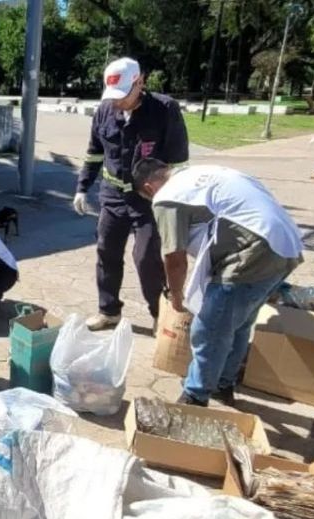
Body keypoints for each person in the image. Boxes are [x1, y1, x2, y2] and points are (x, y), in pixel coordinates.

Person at [133, 159, 303, 407]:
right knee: (239, 323)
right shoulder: (199, 173)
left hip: (254, 254)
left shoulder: (167, 196)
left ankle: (195, 396)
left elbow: (174, 258)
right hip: (286, 247)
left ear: (149, 188)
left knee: (209, 328)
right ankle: (223, 384)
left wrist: (177, 297)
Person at [73, 57, 189, 332]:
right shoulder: (104, 110)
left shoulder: (164, 109)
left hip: (149, 200)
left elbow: (179, 163)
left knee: (146, 258)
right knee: (106, 252)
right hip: (112, 197)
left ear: (141, 82)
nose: (117, 102)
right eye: (113, 95)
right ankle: (108, 311)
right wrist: (82, 187)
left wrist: (176, 203)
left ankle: (159, 313)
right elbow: (94, 153)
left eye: (123, 94)